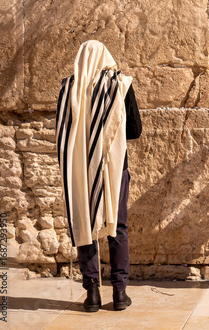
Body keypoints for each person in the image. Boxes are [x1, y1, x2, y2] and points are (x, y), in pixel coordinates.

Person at [56, 40, 142, 311]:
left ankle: (92, 292)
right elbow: (135, 129)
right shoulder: (120, 85)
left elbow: (63, 131)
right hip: (114, 168)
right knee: (117, 225)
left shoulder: (69, 87)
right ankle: (119, 292)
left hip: (80, 167)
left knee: (85, 223)